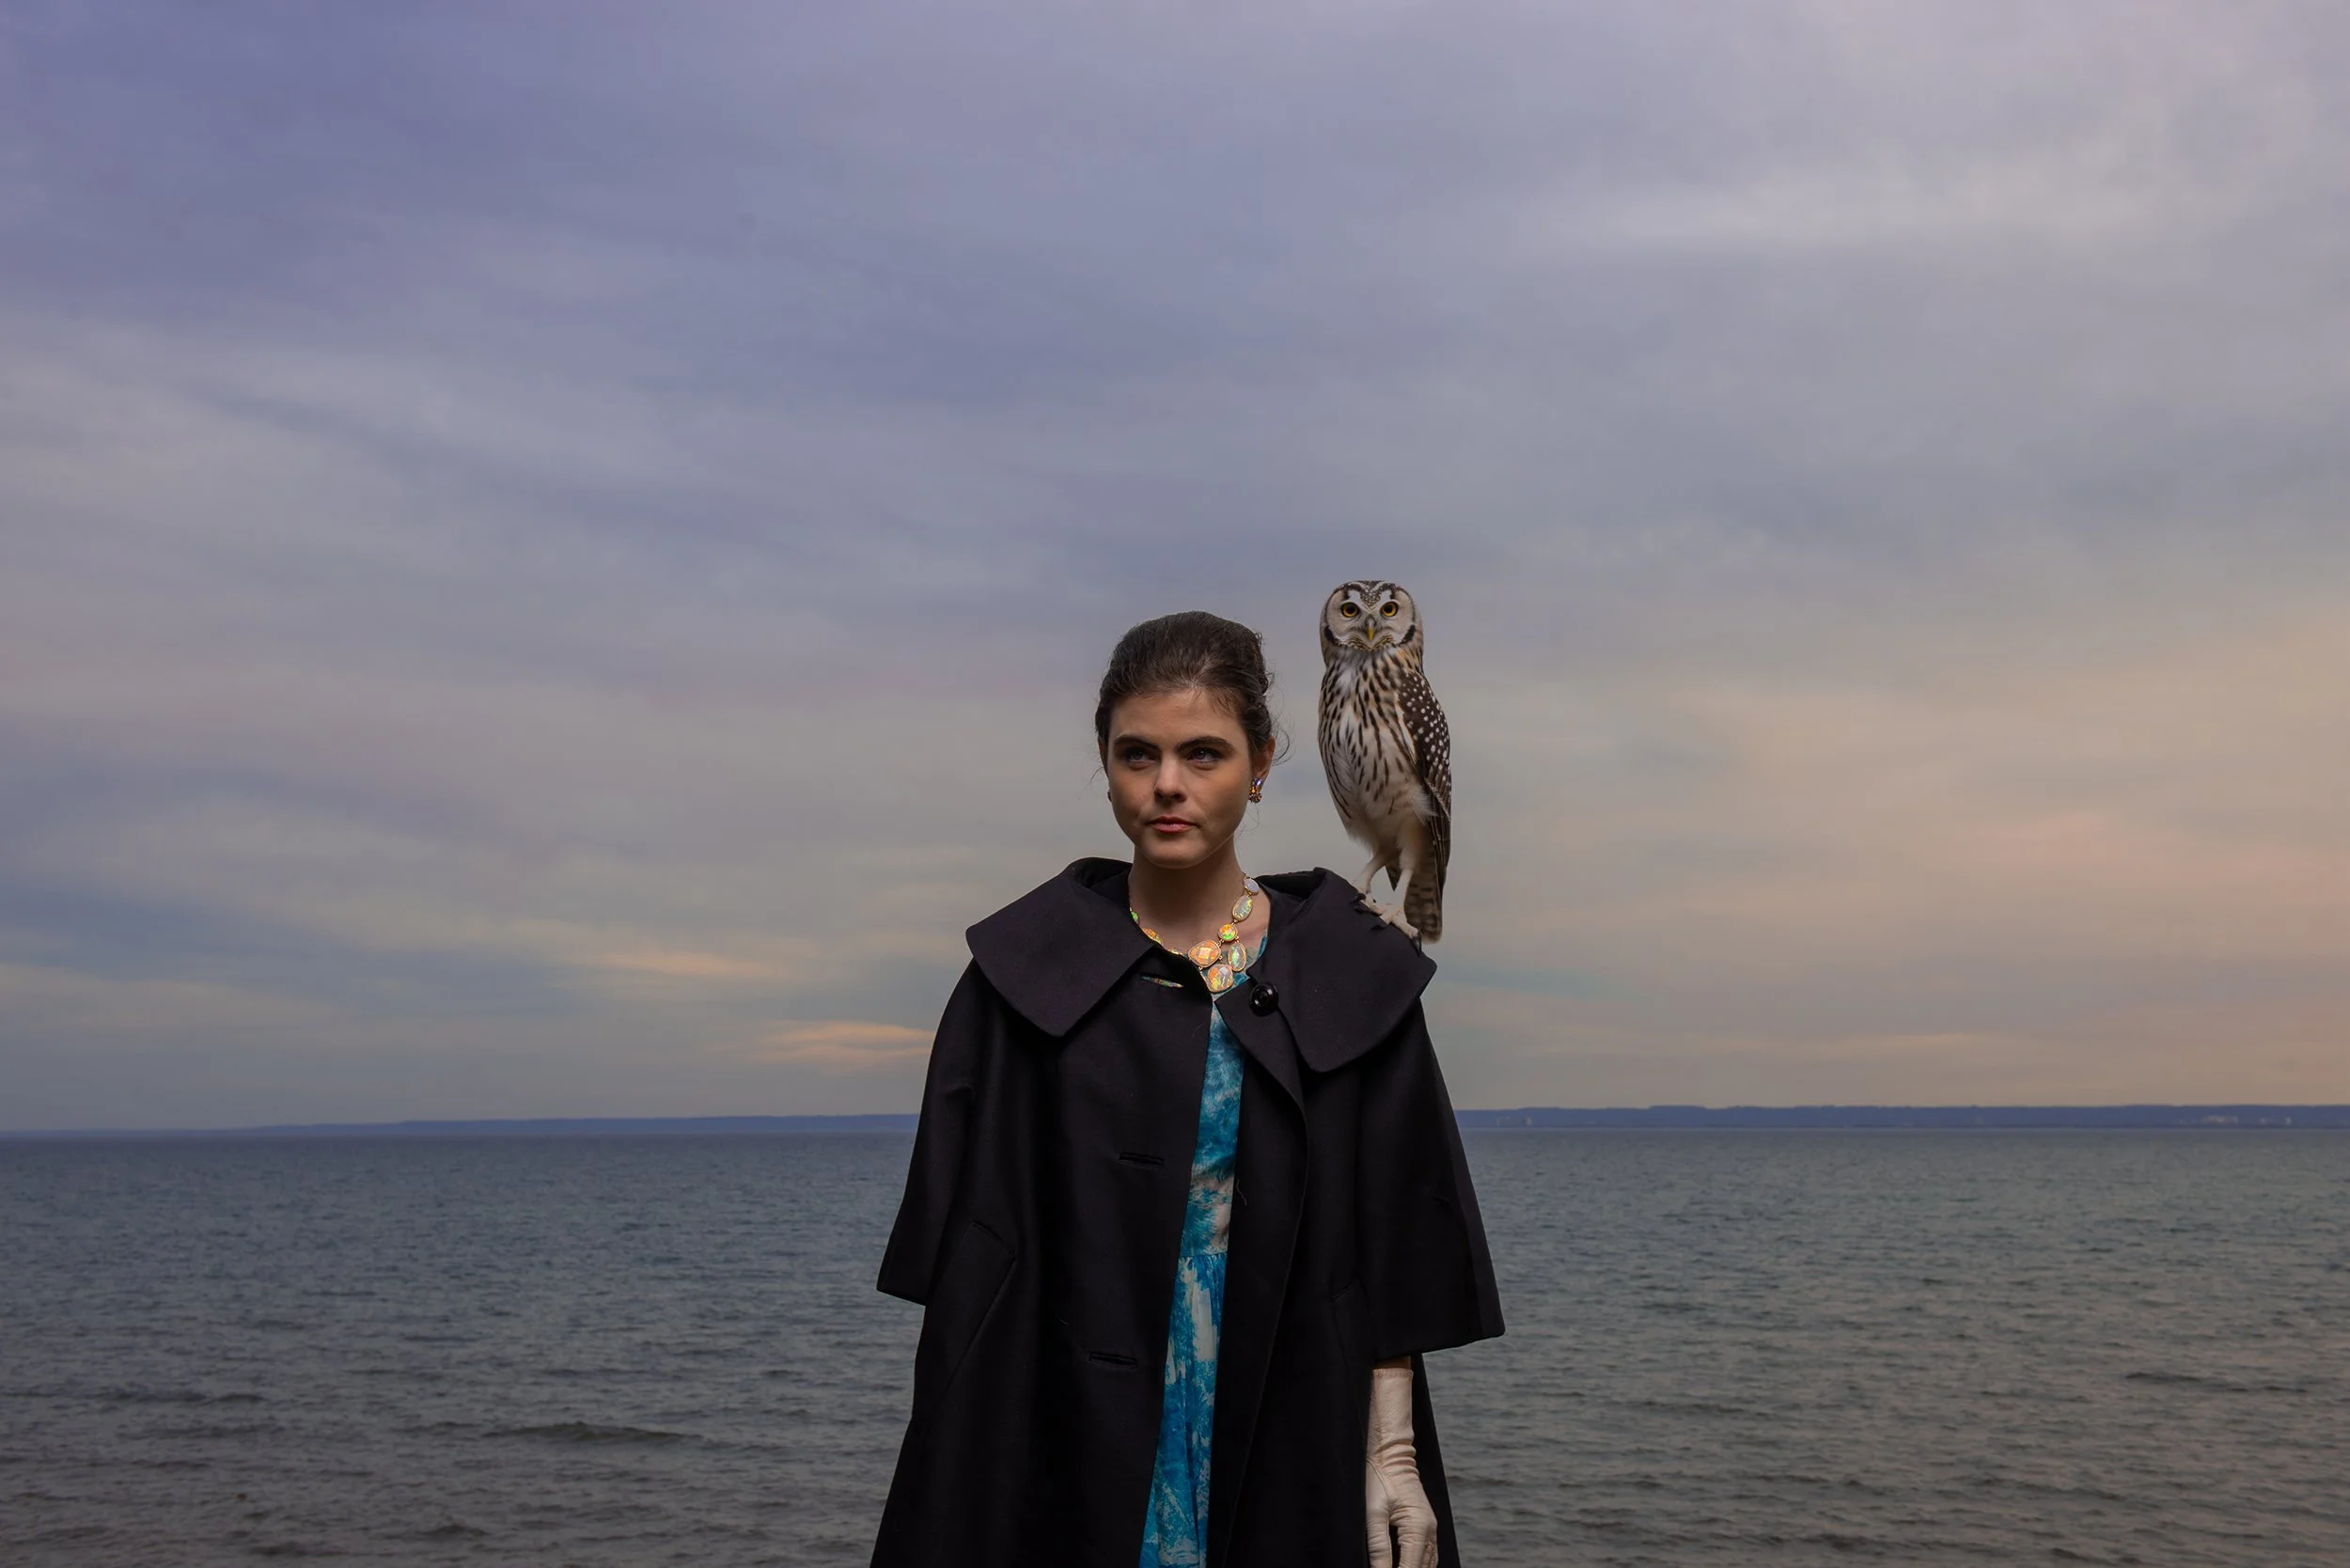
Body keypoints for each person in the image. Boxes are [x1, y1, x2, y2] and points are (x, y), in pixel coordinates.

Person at [870, 611, 1504, 1568]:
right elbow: (969, 1267)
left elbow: (1390, 1243)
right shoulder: (1017, 974)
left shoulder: (1349, 971)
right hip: (1056, 1423)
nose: (1167, 785)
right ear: (1105, 761)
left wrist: (1394, 1449)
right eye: (1138, 755)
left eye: (1202, 754)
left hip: (1287, 1408)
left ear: (1259, 760)